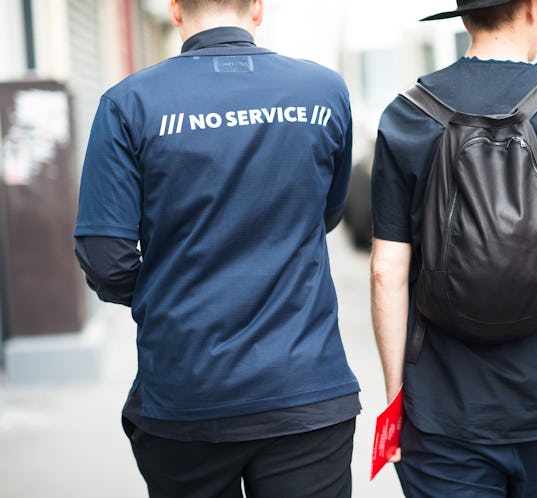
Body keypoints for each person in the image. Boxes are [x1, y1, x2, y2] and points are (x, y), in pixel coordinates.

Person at [74, 1, 360, 497]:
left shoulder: (129, 103)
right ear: (257, 8)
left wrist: (171, 295)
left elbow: (106, 259)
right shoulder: (323, 91)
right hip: (305, 386)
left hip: (188, 391)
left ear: (176, 9)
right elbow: (327, 213)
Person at [370, 0, 537, 496]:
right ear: (535, 9)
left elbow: (387, 270)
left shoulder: (406, 116)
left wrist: (395, 397)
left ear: (465, 17)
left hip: (441, 407)